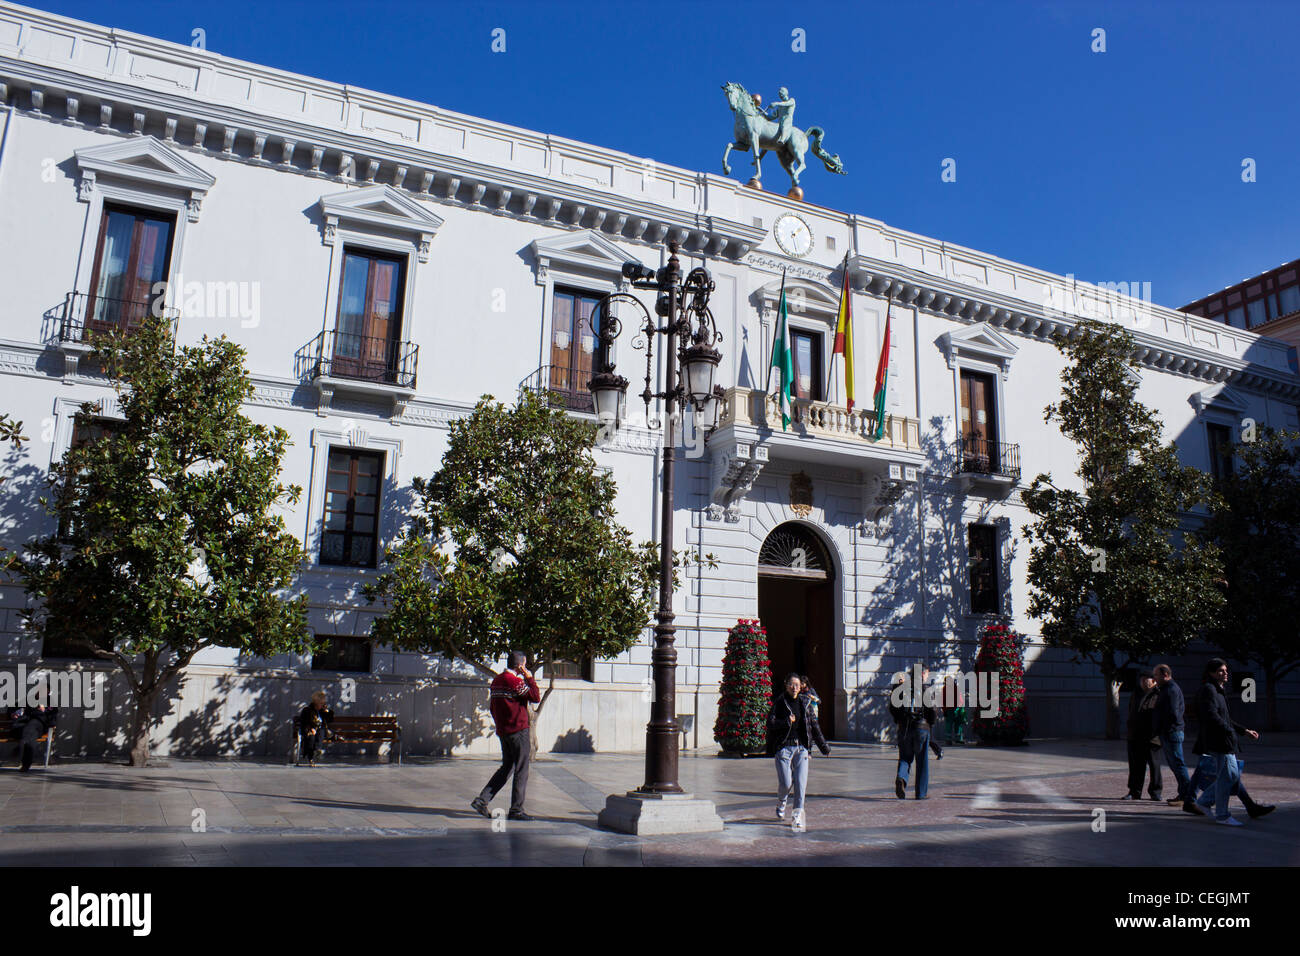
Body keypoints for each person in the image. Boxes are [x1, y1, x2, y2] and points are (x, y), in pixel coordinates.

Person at [471, 651, 540, 822]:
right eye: (524, 665)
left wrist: (501, 725)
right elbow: (535, 697)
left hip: (504, 731)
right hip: (518, 730)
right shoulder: (515, 681)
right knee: (521, 769)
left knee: (507, 767)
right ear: (520, 665)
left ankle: (482, 800)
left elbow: (493, 707)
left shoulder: (497, 681)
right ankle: (516, 809)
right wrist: (530, 678)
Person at [1190, 658, 1260, 827]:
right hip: (1219, 740)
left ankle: (1204, 801)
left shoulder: (1219, 689)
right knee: (1227, 776)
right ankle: (1222, 814)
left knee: (1230, 775)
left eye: (1225, 670)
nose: (1225, 672)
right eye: (1221, 670)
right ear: (1211, 673)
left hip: (1225, 739)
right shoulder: (1209, 689)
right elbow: (1211, 715)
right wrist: (1228, 730)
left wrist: (1243, 731)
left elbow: (1226, 718)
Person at [767, 673, 830, 832]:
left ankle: (797, 816)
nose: (794, 687)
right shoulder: (780, 702)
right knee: (786, 783)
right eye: (791, 684)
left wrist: (824, 747)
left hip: (802, 749)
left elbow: (814, 727)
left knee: (801, 785)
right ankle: (782, 800)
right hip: (784, 749)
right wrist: (787, 722)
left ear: (801, 686)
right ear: (786, 685)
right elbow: (771, 723)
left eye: (797, 684)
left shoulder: (806, 702)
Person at [889, 667, 938, 799]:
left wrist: (898, 720)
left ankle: (901, 778)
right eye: (927, 673)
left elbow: (892, 707)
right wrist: (930, 723)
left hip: (904, 728)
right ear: (922, 674)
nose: (927, 676)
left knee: (905, 757)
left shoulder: (901, 687)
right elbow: (932, 710)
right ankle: (921, 793)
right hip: (921, 728)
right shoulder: (926, 688)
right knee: (922, 761)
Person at [1152, 664, 1192, 807]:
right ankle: (1184, 793)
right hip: (1169, 732)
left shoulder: (1171, 690)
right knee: (1175, 764)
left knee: (1178, 764)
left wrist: (1163, 727)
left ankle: (1187, 795)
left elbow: (1173, 714)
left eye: (1156, 675)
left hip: (1171, 732)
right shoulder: (1166, 689)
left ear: (1165, 675)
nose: (1154, 678)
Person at [1123, 672, 1163, 800]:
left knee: (1154, 765)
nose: (1143, 682)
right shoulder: (1136, 693)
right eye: (1142, 680)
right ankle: (1134, 791)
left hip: (1152, 737)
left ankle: (1155, 792)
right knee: (1135, 766)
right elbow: (1131, 710)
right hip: (1134, 735)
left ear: (1154, 681)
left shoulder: (1159, 693)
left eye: (1147, 680)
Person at [8, 702, 58, 772]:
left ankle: (21, 748)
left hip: (38, 725)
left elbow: (52, 717)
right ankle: (25, 760)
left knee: (32, 725)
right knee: (29, 734)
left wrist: (44, 711)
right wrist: (12, 714)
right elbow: (12, 707)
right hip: (24, 726)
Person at [298, 691, 333, 767]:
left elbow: (329, 720)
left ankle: (317, 750)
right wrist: (310, 728)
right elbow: (304, 722)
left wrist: (326, 712)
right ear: (315, 702)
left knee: (321, 731)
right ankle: (311, 757)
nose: (322, 705)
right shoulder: (307, 710)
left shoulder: (322, 712)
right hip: (309, 731)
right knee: (311, 737)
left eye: (323, 703)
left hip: (320, 731)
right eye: (320, 703)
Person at [942, 674, 967, 746]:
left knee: (954, 724)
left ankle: (954, 739)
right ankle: (955, 739)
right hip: (952, 709)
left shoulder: (950, 688)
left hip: (954, 709)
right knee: (954, 724)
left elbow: (959, 698)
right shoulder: (949, 688)